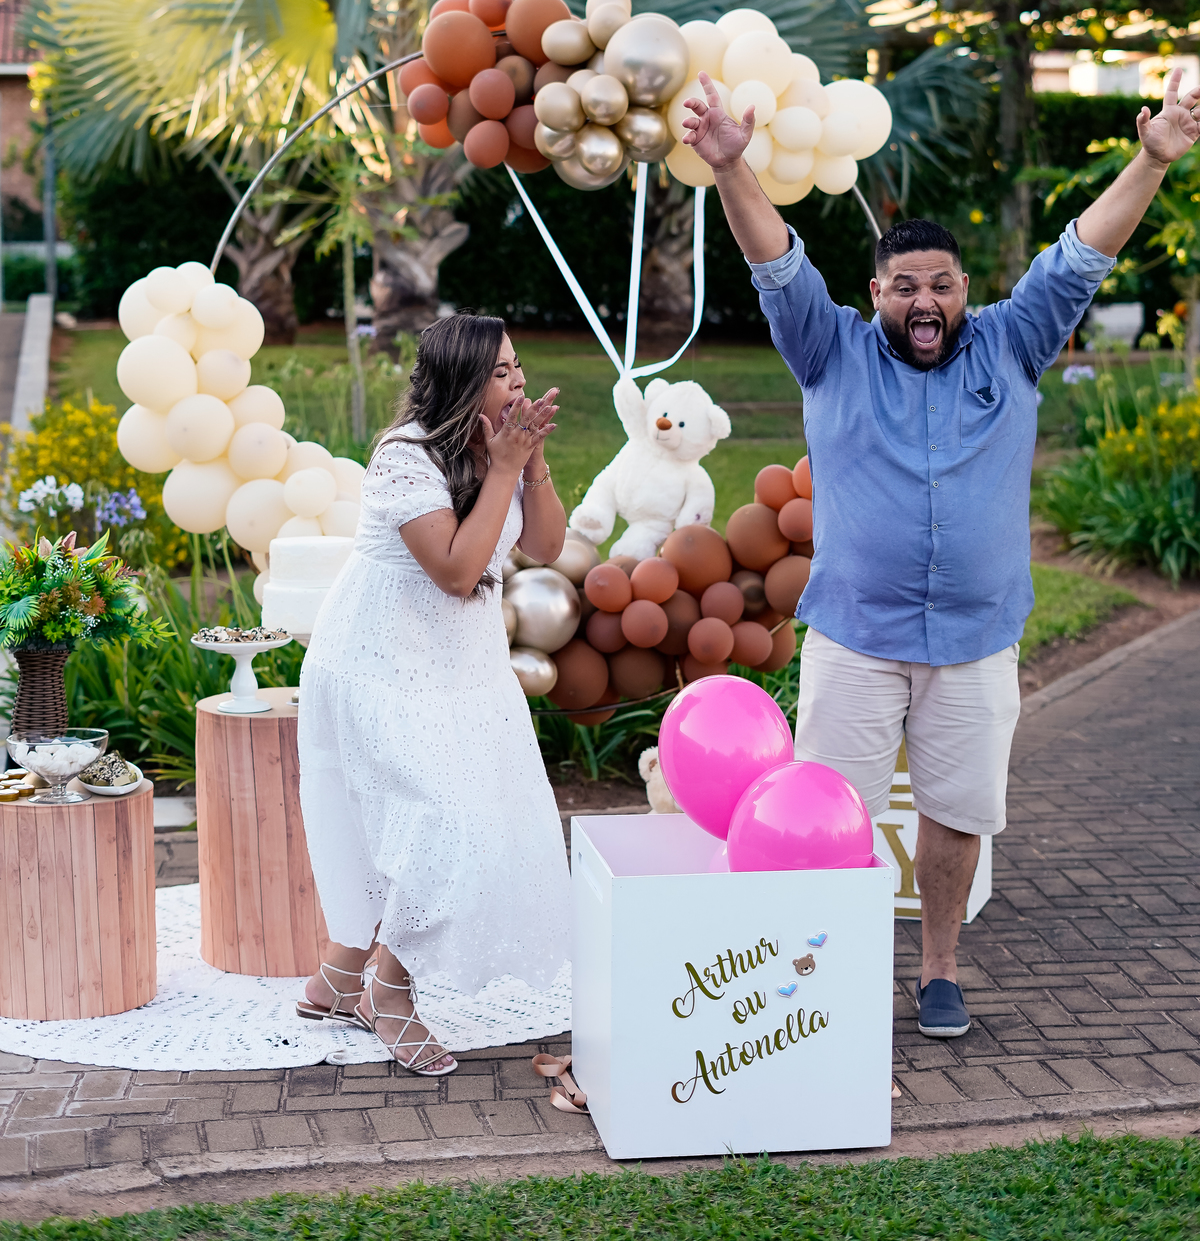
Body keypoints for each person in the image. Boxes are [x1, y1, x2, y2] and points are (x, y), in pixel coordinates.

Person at [683, 64, 1200, 1039]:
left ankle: (939, 971)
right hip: (856, 638)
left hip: (973, 639)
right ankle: (816, 986)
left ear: (965, 290)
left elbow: (1082, 255)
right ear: (877, 292)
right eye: (906, 287)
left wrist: (1154, 158)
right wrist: (729, 168)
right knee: (823, 815)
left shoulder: (1013, 342)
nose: (926, 302)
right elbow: (777, 262)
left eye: (943, 286)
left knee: (957, 813)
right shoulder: (828, 349)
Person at [296, 313, 570, 1074]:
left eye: (518, 366)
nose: (517, 381)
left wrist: (531, 460)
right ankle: (387, 991)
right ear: (462, 381)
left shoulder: (498, 448)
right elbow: (455, 572)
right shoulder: (403, 457)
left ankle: (339, 979)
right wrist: (505, 468)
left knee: (468, 822)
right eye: (500, 371)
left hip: (459, 671)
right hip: (379, 666)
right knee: (440, 828)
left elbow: (545, 545)